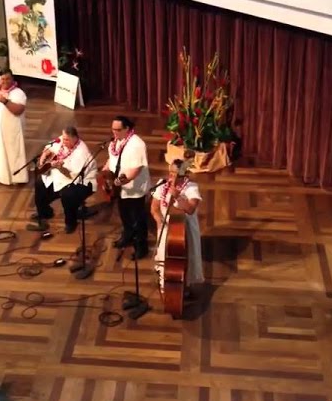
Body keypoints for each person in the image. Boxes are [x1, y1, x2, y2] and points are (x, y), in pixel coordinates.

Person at [152, 159, 203, 302]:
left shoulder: (192, 187)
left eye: (175, 174)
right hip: (165, 227)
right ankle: (164, 284)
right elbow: (154, 207)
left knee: (184, 258)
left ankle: (183, 285)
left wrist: (178, 197)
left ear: (184, 175)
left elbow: (191, 209)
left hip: (183, 230)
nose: (172, 176)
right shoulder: (162, 185)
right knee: (164, 255)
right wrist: (158, 219)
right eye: (171, 172)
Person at [30, 127, 98, 234]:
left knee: (67, 194)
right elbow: (50, 146)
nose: (63, 141)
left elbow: (73, 176)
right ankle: (44, 212)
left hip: (80, 181)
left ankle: (71, 222)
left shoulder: (81, 153)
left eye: (66, 140)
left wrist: (60, 168)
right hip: (61, 175)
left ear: (75, 138)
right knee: (40, 182)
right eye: (63, 138)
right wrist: (44, 154)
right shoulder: (63, 139)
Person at [105, 115, 150, 257]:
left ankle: (142, 246)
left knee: (138, 217)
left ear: (127, 129)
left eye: (118, 130)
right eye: (113, 129)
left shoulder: (137, 145)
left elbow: (135, 170)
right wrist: (105, 171)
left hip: (134, 188)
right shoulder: (116, 142)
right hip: (120, 187)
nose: (114, 133)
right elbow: (112, 158)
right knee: (124, 213)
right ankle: (128, 235)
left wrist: (119, 182)